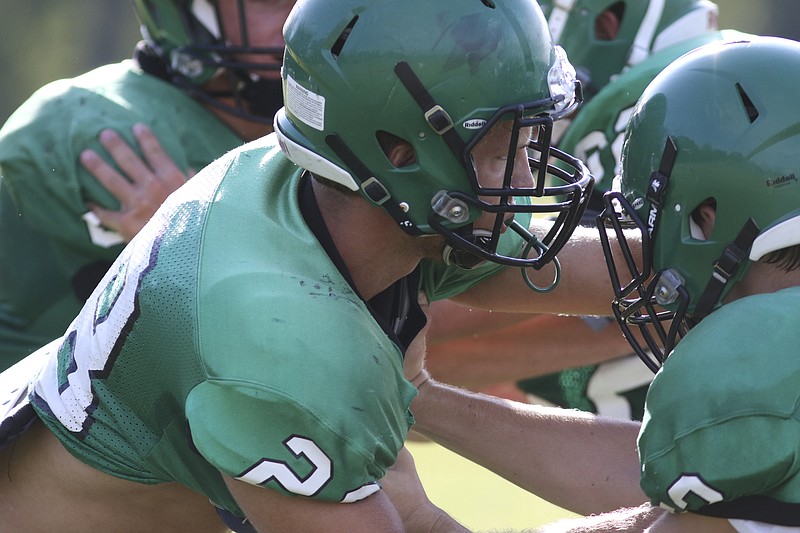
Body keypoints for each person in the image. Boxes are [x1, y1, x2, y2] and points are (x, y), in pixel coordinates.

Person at [0, 0, 601, 530]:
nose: (524, 182)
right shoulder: (271, 315)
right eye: (502, 154)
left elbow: (416, 516)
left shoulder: (307, 175)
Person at [392, 35, 800, 532]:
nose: (641, 256)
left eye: (648, 225)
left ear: (705, 218)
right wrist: (420, 398)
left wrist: (418, 519)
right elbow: (692, 510)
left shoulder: (768, 348)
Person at [425, 0, 751, 421]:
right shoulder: (723, 79)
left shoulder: (673, 103)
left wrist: (424, 378)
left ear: (609, 20)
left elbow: (654, 302)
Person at [0, 0, 294, 370]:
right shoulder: (98, 128)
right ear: (190, 15)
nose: (303, 16)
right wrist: (190, 239)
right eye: (273, 2)